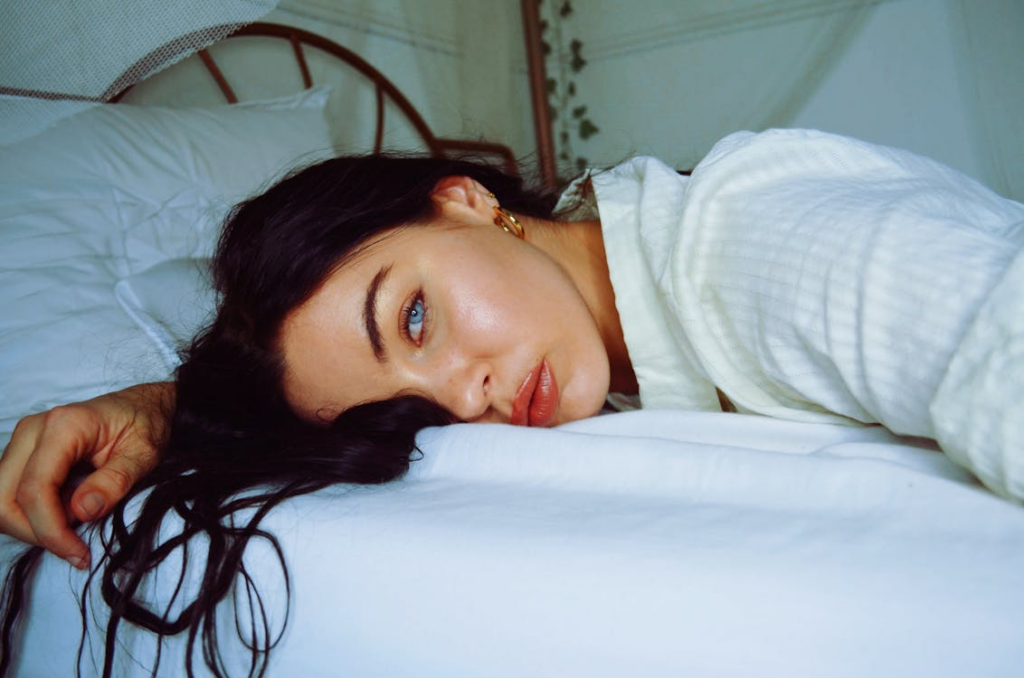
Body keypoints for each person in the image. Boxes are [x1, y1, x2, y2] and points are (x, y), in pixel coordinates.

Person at [1, 129, 1023, 674]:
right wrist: (165, 406)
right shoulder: (611, 342)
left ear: (463, 198)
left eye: (411, 318)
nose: (465, 393)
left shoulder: (743, 243)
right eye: (413, 410)